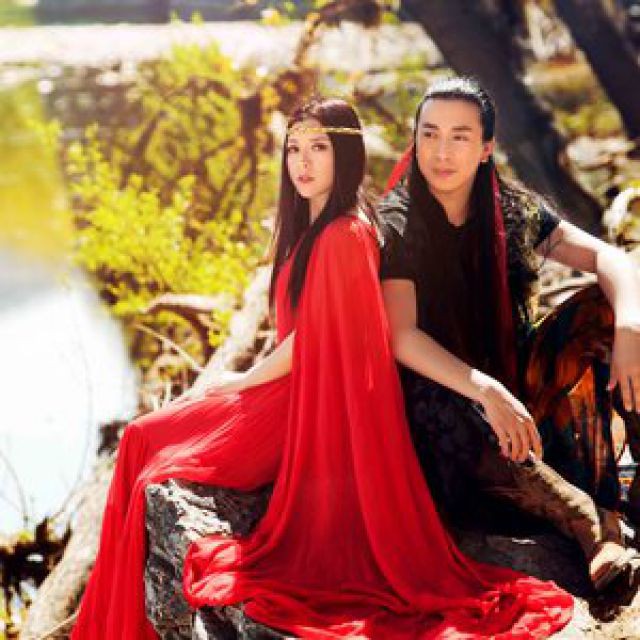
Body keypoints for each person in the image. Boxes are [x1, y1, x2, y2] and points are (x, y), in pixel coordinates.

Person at [71, 97, 572, 640]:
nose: (303, 162)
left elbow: (311, 339)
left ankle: (115, 629)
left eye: (319, 148)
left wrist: (239, 382)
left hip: (306, 408)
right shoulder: (312, 227)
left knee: (144, 442)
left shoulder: (345, 234)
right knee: (141, 441)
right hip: (291, 392)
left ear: (346, 155)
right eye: (294, 149)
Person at [378, 76, 640, 595]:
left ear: (485, 148)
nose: (441, 152)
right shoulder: (397, 223)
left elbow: (608, 258)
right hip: (449, 416)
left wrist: (630, 326)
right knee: (439, 395)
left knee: (607, 309)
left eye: (459, 136)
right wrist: (485, 389)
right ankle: (590, 523)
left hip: (520, 391)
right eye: (429, 134)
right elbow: (401, 337)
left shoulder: (511, 209)